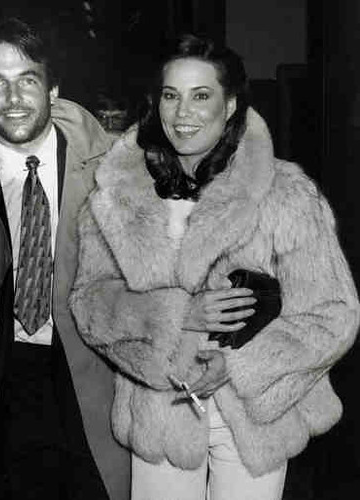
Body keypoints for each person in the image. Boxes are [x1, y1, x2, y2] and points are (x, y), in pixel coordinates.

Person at [69, 34, 360, 500]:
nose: (182, 112)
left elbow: (334, 314)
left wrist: (241, 365)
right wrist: (176, 316)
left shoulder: (284, 193)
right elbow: (89, 304)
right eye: (171, 95)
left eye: (201, 96)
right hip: (161, 411)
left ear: (230, 106)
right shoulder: (117, 196)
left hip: (255, 417)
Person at [0, 18, 130, 500]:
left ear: (53, 89)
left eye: (27, 80)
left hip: (98, 389)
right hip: (6, 390)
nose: (13, 98)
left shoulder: (116, 174)